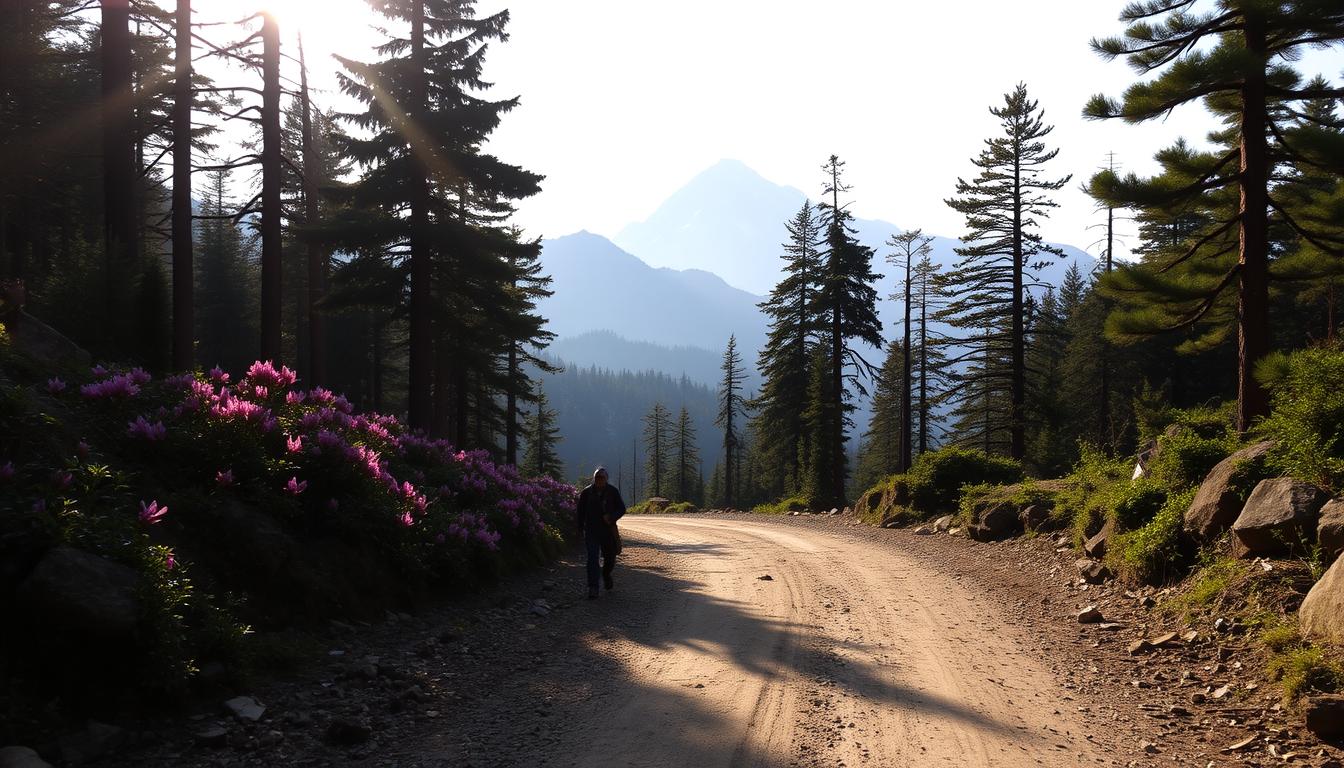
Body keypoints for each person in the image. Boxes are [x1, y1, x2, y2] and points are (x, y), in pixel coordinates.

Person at [574, 466, 625, 599]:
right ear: (594, 478)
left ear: (606, 479)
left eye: (601, 477)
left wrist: (612, 517)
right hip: (591, 531)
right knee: (592, 559)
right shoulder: (586, 493)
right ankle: (593, 587)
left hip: (608, 531)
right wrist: (580, 529)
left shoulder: (613, 492)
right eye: (597, 477)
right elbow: (580, 512)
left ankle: (606, 575)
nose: (599, 480)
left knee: (610, 558)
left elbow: (622, 509)